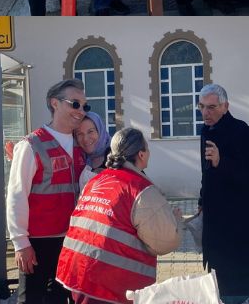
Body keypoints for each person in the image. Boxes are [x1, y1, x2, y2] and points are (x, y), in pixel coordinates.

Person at [56, 128, 182, 304]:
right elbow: (164, 242)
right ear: (141, 154)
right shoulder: (141, 189)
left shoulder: (96, 180)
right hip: (112, 285)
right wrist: (175, 220)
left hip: (77, 275)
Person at [6, 79, 89, 304]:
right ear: (55, 103)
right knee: (31, 299)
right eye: (75, 104)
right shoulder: (31, 145)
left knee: (60, 298)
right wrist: (21, 243)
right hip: (38, 242)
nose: (80, 111)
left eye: (84, 106)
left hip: (70, 240)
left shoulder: (80, 144)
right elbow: (16, 195)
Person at [198, 84, 249, 298]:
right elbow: (206, 173)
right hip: (214, 223)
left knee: (238, 281)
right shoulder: (206, 131)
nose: (206, 112)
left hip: (235, 223)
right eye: (202, 106)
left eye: (212, 107)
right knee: (218, 280)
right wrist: (201, 200)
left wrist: (221, 161)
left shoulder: (241, 130)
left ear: (226, 106)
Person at [75, 110, 110, 190]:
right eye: (80, 134)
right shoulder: (79, 161)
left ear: (100, 131)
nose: (85, 139)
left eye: (90, 131)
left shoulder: (118, 157)